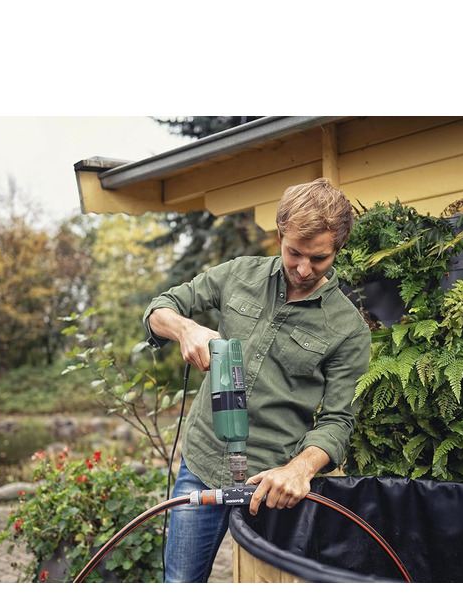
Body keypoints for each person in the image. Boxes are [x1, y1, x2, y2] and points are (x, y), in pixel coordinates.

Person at [143, 177, 371, 582]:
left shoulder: (348, 328)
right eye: (294, 253)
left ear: (338, 248)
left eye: (318, 259)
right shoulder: (238, 274)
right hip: (202, 460)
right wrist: (186, 330)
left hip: (272, 484)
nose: (303, 269)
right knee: (179, 584)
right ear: (280, 235)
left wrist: (300, 469)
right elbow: (161, 307)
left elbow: (338, 421)